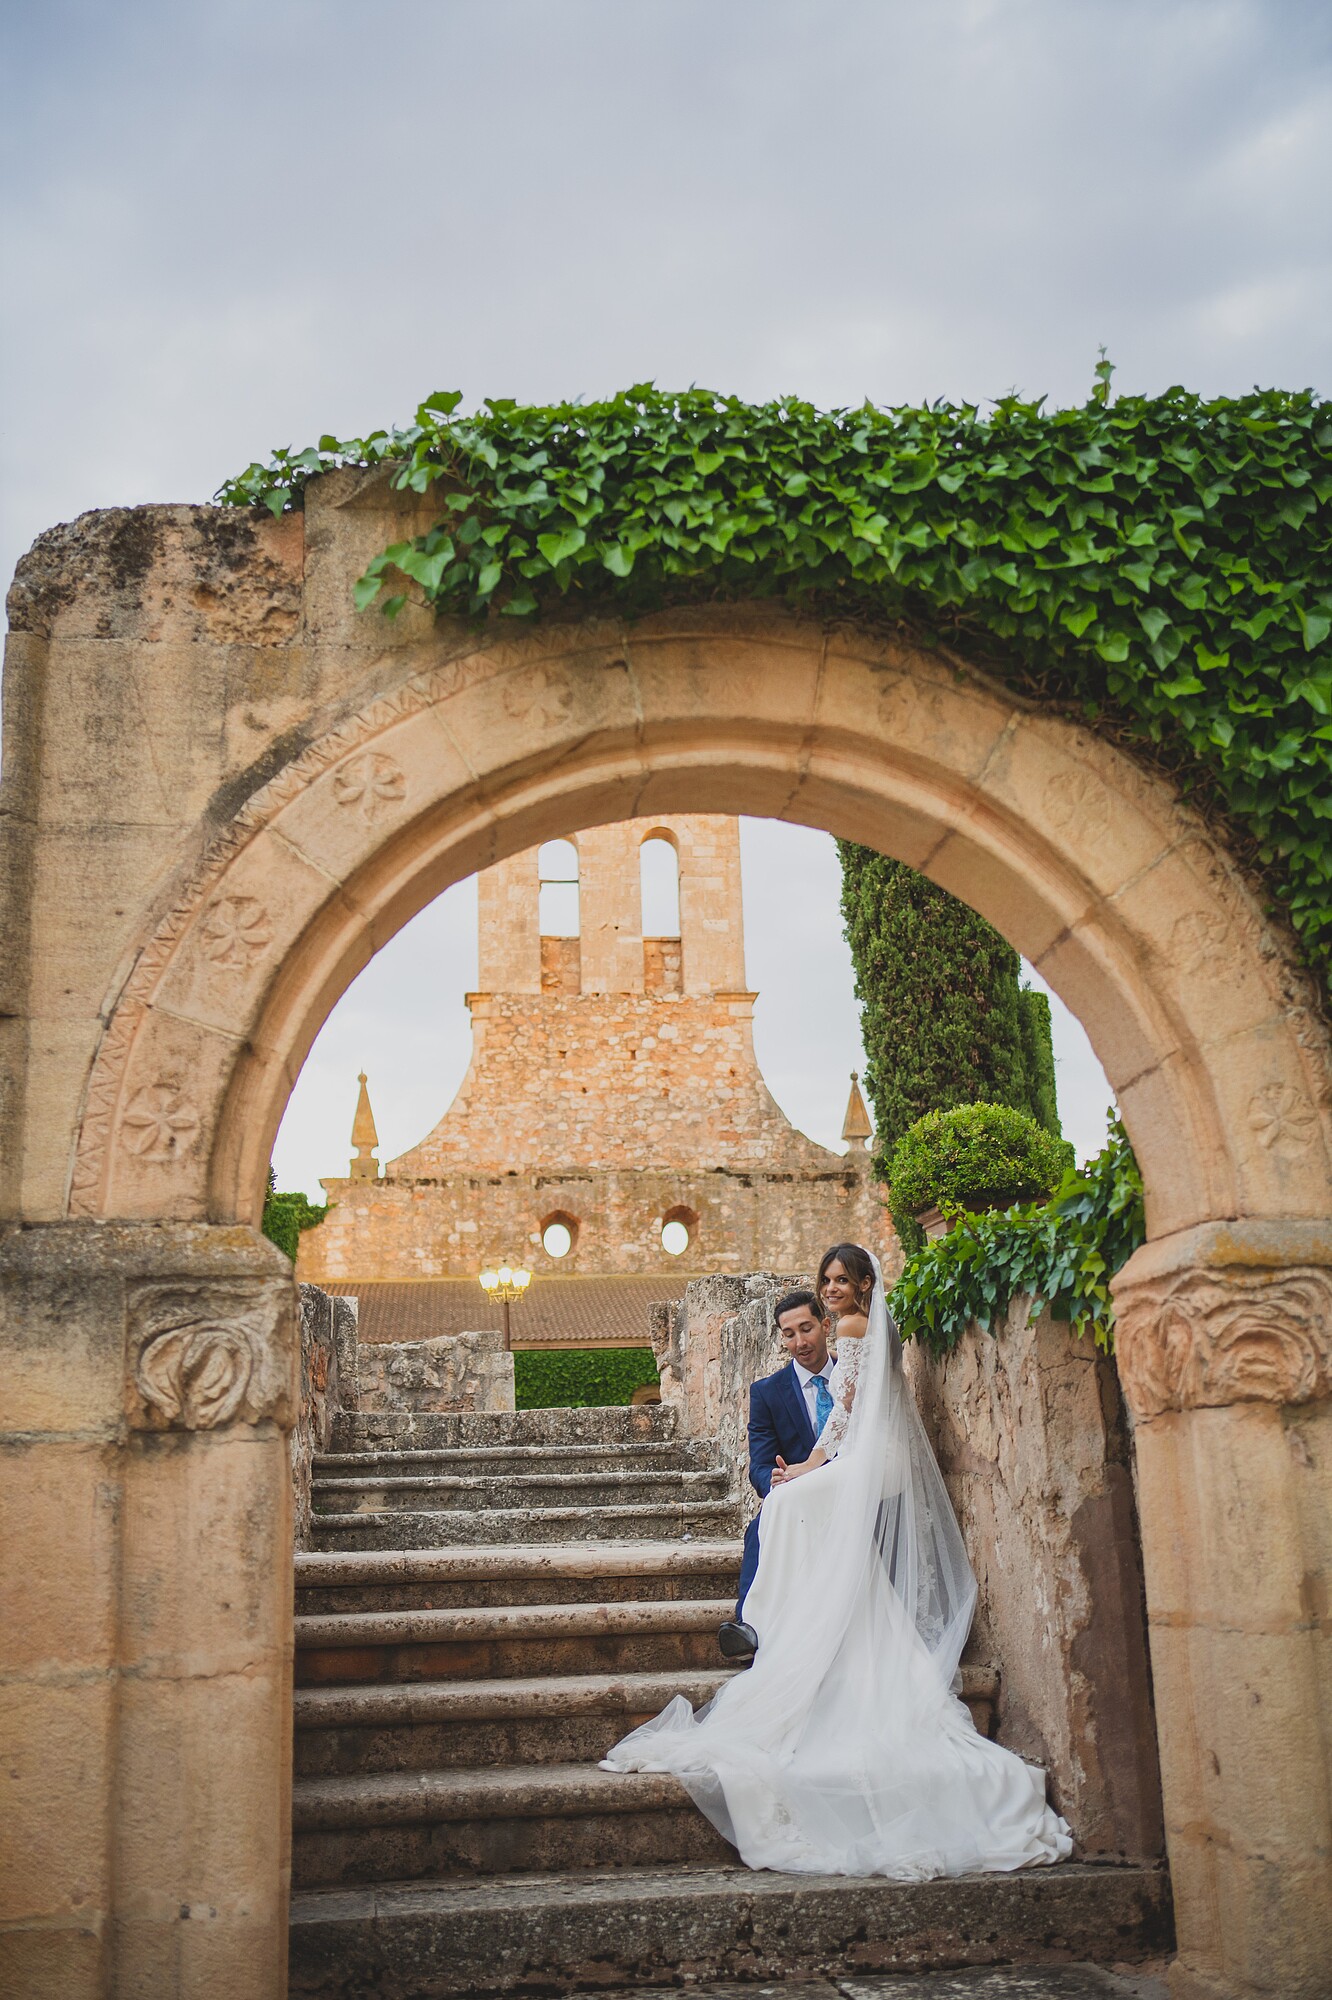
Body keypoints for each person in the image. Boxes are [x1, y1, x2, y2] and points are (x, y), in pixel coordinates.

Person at [601, 1243, 1073, 1879]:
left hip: (866, 1461)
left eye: (840, 1281)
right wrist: (798, 1472)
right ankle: (788, 1620)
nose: (831, 1289)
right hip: (866, 1458)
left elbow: (845, 1418)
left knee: (787, 1506)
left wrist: (805, 1469)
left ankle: (775, 1626)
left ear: (859, 1287)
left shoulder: (853, 1327)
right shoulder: (867, 1327)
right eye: (825, 1279)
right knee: (783, 1507)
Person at [716, 1288, 836, 1662]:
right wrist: (775, 1480)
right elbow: (761, 1464)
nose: (800, 1342)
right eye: (789, 1334)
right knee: (761, 1525)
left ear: (825, 1324)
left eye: (806, 1328)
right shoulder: (767, 1393)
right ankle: (747, 1627)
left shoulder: (855, 1376)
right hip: (796, 1495)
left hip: (850, 1488)